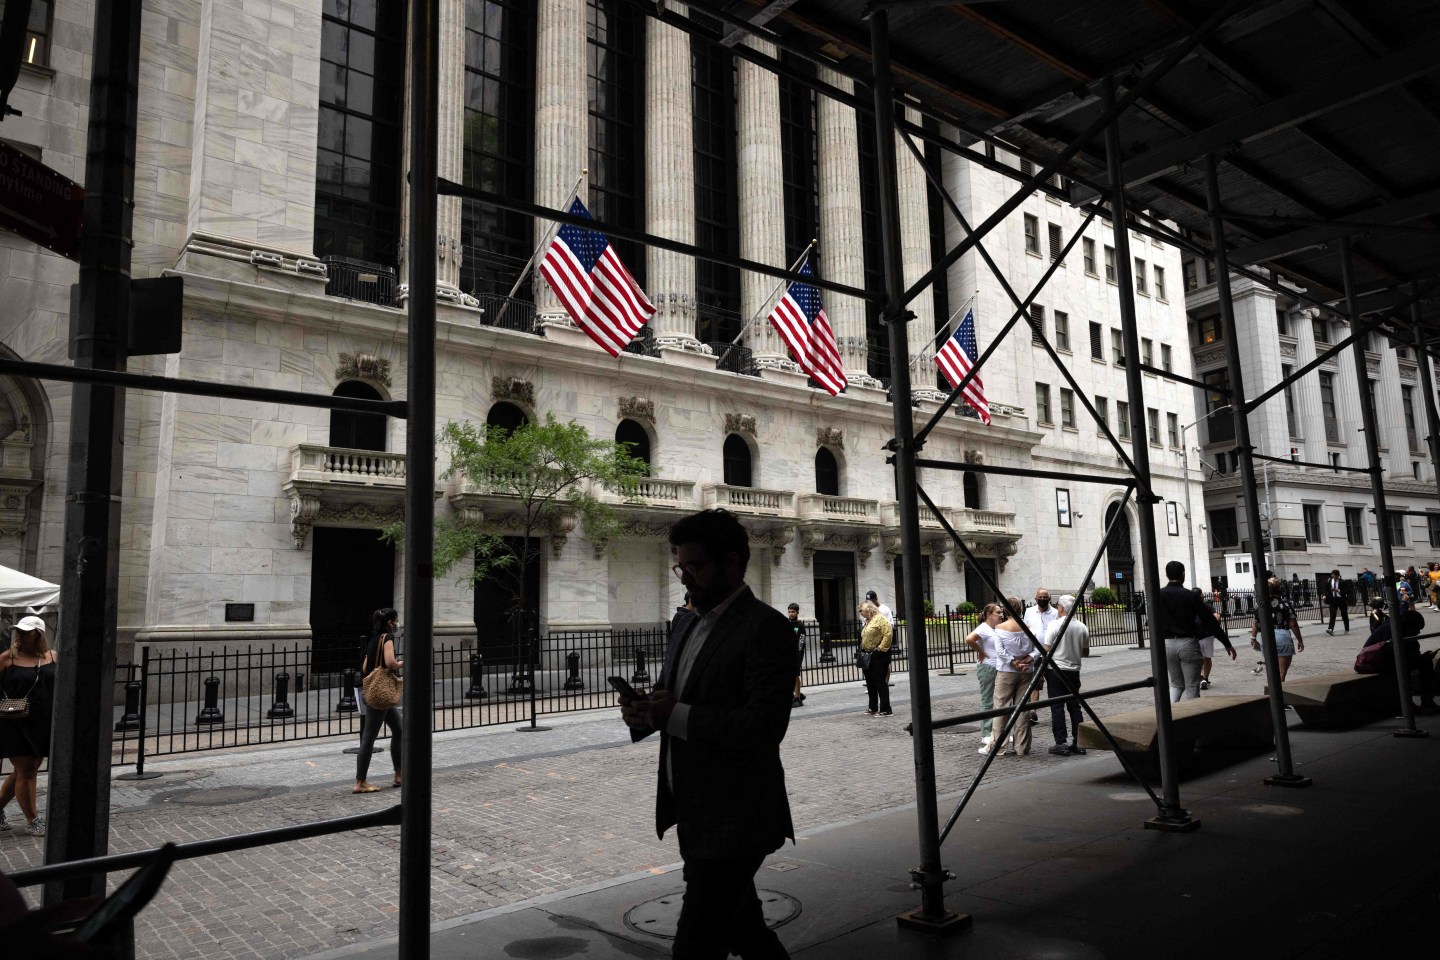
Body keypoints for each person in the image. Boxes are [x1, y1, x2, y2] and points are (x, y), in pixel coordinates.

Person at [619, 509, 795, 960]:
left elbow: (764, 726)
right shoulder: (684, 622)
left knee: (696, 944)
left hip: (737, 814)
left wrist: (674, 715)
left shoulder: (766, 628)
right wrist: (644, 713)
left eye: (695, 566)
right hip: (690, 807)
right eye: (681, 566)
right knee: (746, 930)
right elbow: (672, 697)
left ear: (732, 561)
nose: (685, 578)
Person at [0, 616, 55, 836]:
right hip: (14, 722)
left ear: (39, 635)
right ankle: (33, 819)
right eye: (18, 631)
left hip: (42, 722)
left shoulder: (52, 657)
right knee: (26, 770)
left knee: (25, 770)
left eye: (26, 632)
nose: (19, 635)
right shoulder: (7, 658)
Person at [1156, 561, 1236, 702]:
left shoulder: (1158, 595)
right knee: (1192, 685)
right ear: (1183, 575)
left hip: (1166, 643)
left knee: (1176, 684)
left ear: (1167, 575)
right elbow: (1209, 621)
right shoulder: (1190, 596)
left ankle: (1168, 717)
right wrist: (1226, 643)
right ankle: (1190, 719)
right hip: (1187, 642)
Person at [355, 607, 404, 794]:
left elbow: (366, 666)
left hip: (373, 692)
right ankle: (360, 782)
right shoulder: (388, 638)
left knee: (399, 729)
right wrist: (400, 663)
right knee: (369, 738)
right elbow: (390, 663)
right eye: (396, 621)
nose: (397, 624)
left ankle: (399, 775)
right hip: (381, 694)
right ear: (390, 623)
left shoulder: (374, 639)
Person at [1042, 595, 1089, 756]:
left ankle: (1061, 742)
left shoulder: (1054, 625)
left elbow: (1046, 649)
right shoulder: (1082, 627)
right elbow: (1085, 652)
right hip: (1074, 670)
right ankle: (1079, 742)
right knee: (1075, 706)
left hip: (1055, 670)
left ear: (1061, 608)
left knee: (1057, 707)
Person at [990, 598, 1035, 756]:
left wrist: (1013, 662)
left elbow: (1000, 651)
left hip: (1006, 671)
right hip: (1026, 670)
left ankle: (999, 746)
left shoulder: (999, 628)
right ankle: (1021, 747)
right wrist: (1028, 659)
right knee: (1022, 708)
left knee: (1001, 708)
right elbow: (1037, 647)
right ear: (1021, 608)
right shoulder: (1028, 627)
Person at [963, 604, 1005, 754]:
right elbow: (969, 639)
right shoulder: (983, 628)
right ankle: (986, 734)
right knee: (988, 700)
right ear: (989, 614)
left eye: (1001, 612)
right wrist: (980, 651)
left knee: (998, 700)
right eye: (998, 612)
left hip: (997, 667)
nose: (1001, 615)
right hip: (987, 667)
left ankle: (996, 731)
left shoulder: (996, 628)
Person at [1250, 576, 1303, 682]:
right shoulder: (1286, 604)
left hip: (1266, 636)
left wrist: (1253, 637)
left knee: (1272, 673)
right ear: (1280, 589)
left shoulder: (1260, 604)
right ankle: (1280, 695)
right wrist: (1300, 640)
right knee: (1281, 674)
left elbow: (1256, 622)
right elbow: (1293, 624)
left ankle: (1273, 695)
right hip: (1282, 635)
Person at [1021, 589, 1058, 722]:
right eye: (1040, 597)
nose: (1042, 599)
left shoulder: (1055, 613)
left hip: (1052, 653)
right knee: (1035, 683)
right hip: (1035, 652)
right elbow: (1025, 629)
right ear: (1036, 599)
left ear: (1049, 598)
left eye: (1045, 597)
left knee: (1053, 682)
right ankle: (1032, 711)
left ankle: (1056, 708)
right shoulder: (1029, 611)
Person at [857, 601, 894, 717]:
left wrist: (881, 649)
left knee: (880, 681)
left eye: (861, 610)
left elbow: (888, 634)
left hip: (879, 655)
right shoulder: (867, 621)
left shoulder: (880, 619)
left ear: (868, 609)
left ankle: (886, 708)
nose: (860, 612)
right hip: (867, 654)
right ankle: (873, 707)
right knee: (870, 682)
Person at [1194, 588, 1224, 690]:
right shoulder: (1207, 606)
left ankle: (1201, 677)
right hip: (1208, 636)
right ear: (1201, 596)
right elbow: (1217, 617)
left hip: (1195, 637)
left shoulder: (1189, 608)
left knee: (1197, 659)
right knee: (1207, 658)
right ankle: (1205, 678)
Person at [787, 603, 806, 708]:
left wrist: (797, 654)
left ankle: (797, 697)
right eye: (789, 612)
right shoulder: (787, 623)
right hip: (787, 653)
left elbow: (801, 641)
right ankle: (795, 694)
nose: (791, 614)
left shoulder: (800, 625)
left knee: (795, 675)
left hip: (796, 654)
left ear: (797, 612)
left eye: (793, 612)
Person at [1323, 570, 1349, 635]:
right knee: (1332, 614)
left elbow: (1347, 591)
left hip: (1341, 599)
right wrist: (1324, 595)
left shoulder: (1343, 582)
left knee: (1344, 614)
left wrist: (1338, 590)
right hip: (1333, 600)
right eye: (1332, 575)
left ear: (1338, 576)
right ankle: (1330, 629)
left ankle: (1347, 628)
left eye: (1334, 576)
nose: (1333, 577)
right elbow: (1326, 590)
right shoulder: (1329, 581)